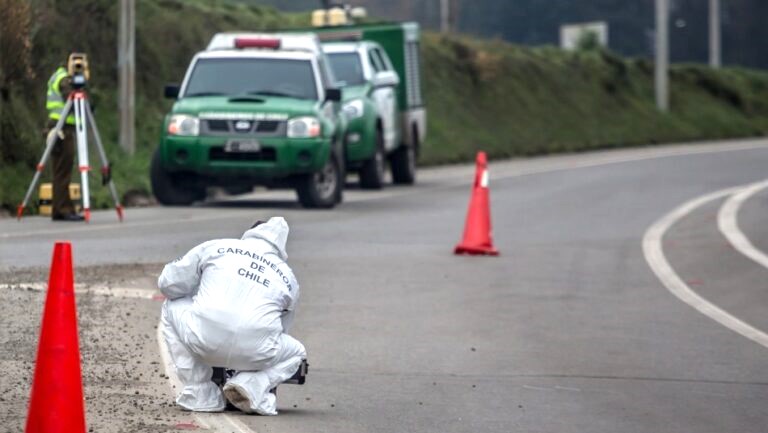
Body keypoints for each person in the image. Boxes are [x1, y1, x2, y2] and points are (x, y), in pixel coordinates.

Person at [158, 216, 306, 415]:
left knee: (172, 303)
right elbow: (282, 328)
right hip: (254, 354)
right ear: (281, 247)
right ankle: (249, 386)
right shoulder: (288, 277)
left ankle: (200, 394)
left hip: (203, 340)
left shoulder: (218, 247)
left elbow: (168, 283)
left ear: (249, 234)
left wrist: (196, 297)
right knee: (297, 353)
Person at [45, 60, 83, 221]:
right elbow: (71, 100)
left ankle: (63, 208)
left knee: (61, 171)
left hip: (57, 127)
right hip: (62, 129)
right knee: (63, 172)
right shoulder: (63, 79)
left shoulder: (57, 76)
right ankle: (62, 209)